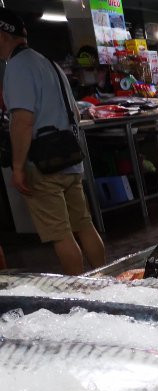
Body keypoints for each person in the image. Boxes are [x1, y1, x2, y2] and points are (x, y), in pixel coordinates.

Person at [0, 8, 105, 275]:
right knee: (84, 224)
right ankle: (108, 280)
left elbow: (22, 120)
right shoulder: (50, 64)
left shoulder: (17, 67)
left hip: (43, 164)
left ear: (3, 36)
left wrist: (18, 167)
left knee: (60, 233)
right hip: (70, 157)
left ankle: (82, 296)